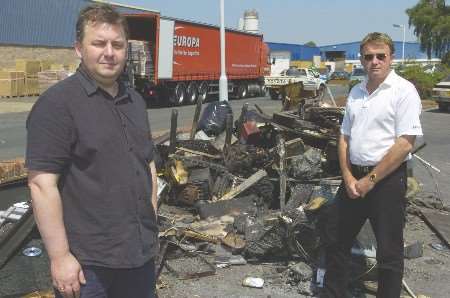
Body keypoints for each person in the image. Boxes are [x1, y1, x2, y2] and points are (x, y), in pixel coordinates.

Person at [26, 4, 158, 298]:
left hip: (139, 257)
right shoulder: (58, 105)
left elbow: (147, 163)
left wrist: (150, 223)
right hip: (88, 267)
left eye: (117, 44)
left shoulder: (135, 101)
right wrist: (60, 257)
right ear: (78, 48)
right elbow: (41, 184)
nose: (109, 52)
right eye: (98, 43)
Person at [321, 32, 423, 298]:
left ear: (392, 58)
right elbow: (344, 136)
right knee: (335, 239)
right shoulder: (356, 91)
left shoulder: (403, 91)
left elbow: (404, 144)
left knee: (389, 251)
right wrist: (347, 176)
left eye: (381, 56)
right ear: (361, 59)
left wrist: (371, 180)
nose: (374, 62)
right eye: (369, 56)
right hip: (353, 178)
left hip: (387, 182)